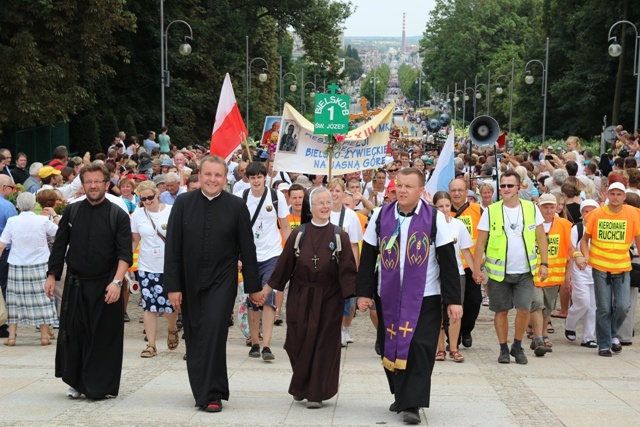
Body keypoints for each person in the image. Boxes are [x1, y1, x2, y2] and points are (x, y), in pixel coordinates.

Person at [356, 168, 462, 425]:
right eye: (399, 185)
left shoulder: (434, 218)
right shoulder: (382, 215)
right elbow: (369, 255)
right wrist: (363, 293)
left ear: (421, 190)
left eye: (408, 186)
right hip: (389, 295)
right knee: (389, 345)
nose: (402, 190)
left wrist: (453, 300)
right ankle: (401, 393)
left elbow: (448, 262)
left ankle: (412, 403)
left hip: (425, 295)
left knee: (420, 348)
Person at [164, 156, 262, 412]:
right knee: (195, 332)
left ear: (225, 178)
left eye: (218, 175)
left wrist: (253, 287)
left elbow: (247, 249)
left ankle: (214, 392)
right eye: (208, 174)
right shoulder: (184, 203)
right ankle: (202, 389)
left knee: (215, 331)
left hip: (222, 279)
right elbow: (172, 247)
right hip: (189, 280)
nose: (213, 180)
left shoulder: (236, 205)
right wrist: (173, 286)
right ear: (200, 175)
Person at [258, 187, 357, 408]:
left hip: (330, 297)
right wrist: (268, 288)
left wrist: (354, 298)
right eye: (319, 202)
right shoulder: (299, 234)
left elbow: (348, 270)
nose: (324, 206)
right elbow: (284, 265)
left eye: (327, 202)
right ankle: (302, 382)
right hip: (301, 294)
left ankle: (316, 393)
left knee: (323, 343)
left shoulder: (339, 235)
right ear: (310, 207)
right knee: (297, 341)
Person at [45, 162, 132, 400]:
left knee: (104, 336)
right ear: (82, 185)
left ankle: (99, 385)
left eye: (97, 181)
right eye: (88, 182)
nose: (93, 186)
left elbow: (125, 254)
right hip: (76, 283)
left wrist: (116, 282)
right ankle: (76, 381)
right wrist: (52, 276)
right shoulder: (72, 211)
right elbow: (59, 245)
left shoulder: (118, 215)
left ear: (106, 184)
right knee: (75, 334)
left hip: (107, 285)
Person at [473, 169, 548, 365]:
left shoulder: (531, 208)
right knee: (502, 311)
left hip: (525, 271)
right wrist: (477, 268)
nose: (506, 189)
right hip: (499, 273)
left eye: (510, 185)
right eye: (503, 185)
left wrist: (544, 264)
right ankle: (503, 348)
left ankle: (517, 345)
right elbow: (480, 242)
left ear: (519, 187)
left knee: (524, 309)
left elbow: (541, 238)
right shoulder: (491, 210)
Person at [577, 181, 640, 356]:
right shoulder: (596, 214)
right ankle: (605, 344)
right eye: (612, 194)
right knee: (604, 307)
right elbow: (584, 239)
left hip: (622, 266)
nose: (615, 197)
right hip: (600, 266)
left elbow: (638, 239)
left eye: (619, 194)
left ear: (624, 197)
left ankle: (610, 334)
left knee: (623, 306)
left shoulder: (634, 214)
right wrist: (586, 255)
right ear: (606, 195)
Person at [235, 161, 290, 361]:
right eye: (252, 177)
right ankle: (255, 342)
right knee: (253, 300)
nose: (256, 181)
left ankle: (267, 344)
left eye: (259, 177)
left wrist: (289, 252)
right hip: (250, 256)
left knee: (269, 299)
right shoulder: (241, 198)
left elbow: (284, 225)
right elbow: (235, 230)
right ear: (247, 179)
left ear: (265, 177)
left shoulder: (276, 198)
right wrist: (238, 256)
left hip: (272, 254)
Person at [0, 193, 58, 346]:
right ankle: (44, 337)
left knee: (14, 301)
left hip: (16, 265)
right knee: (43, 300)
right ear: (34, 205)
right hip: (40, 264)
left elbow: (2, 244)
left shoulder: (12, 221)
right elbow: (59, 233)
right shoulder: (42, 220)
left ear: (18, 206)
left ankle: (12, 337)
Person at [131, 181, 178, 358]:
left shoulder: (171, 211)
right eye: (144, 199)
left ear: (157, 195)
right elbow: (135, 239)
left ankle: (172, 329)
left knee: (170, 306)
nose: (148, 201)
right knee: (149, 305)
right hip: (147, 265)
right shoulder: (138, 214)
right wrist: (126, 257)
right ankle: (151, 345)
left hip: (169, 265)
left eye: (150, 197)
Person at [528, 193, 572, 357]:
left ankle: (542, 333)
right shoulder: (530, 225)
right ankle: (539, 337)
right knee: (537, 303)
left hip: (554, 275)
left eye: (551, 207)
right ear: (538, 207)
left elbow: (570, 247)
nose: (548, 210)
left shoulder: (565, 225)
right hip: (533, 274)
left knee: (547, 308)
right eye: (545, 207)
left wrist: (578, 257)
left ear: (557, 208)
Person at [433, 191, 474, 363]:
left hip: (457, 274)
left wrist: (476, 271)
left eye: (447, 206)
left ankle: (454, 348)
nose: (444, 209)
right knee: (438, 313)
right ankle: (440, 349)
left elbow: (466, 250)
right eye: (440, 206)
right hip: (435, 274)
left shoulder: (458, 225)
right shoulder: (430, 225)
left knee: (456, 311)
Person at [448, 178, 483, 349]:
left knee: (474, 301)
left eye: (460, 190)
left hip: (470, 265)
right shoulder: (443, 211)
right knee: (452, 303)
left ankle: (466, 329)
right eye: (453, 190)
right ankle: (451, 337)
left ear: (466, 192)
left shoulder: (477, 210)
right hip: (451, 267)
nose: (456, 193)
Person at [564, 199, 599, 348]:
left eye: (592, 210)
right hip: (580, 272)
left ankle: (588, 337)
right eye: (586, 211)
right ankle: (570, 323)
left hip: (597, 271)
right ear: (581, 213)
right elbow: (570, 250)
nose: (589, 214)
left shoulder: (600, 227)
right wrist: (568, 276)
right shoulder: (576, 229)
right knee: (583, 302)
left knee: (594, 306)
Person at [0, 175, 17, 338]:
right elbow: (14, 231)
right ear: (4, 188)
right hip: (4, 251)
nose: (13, 191)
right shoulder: (7, 206)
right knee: (4, 286)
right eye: (12, 188)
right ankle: (2, 322)